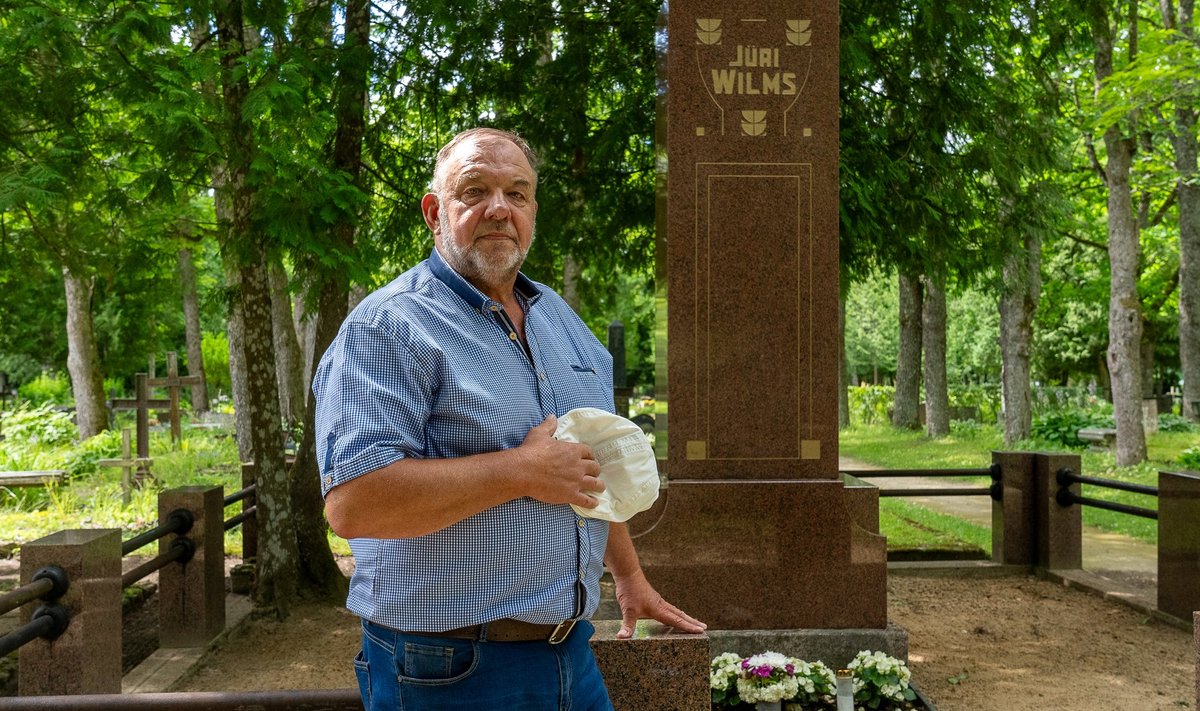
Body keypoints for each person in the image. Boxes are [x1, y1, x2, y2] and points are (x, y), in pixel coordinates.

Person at [313, 127, 705, 710]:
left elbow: (586, 463)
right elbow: (355, 504)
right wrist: (523, 470)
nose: (499, 209)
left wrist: (627, 576)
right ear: (434, 212)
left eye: (517, 194)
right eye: (475, 191)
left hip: (572, 653)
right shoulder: (389, 328)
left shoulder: (560, 320)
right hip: (446, 668)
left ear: (532, 211)